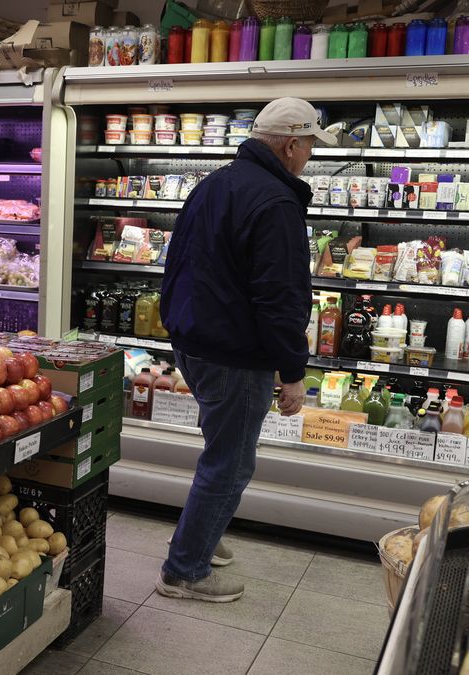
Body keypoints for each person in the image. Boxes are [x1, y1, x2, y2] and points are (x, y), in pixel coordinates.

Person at [155, 97, 334, 602]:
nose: (310, 157)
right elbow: (281, 298)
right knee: (231, 463)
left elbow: (178, 264)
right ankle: (184, 570)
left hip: (196, 341)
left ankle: (199, 537)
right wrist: (292, 371)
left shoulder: (213, 183)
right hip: (234, 352)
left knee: (219, 452)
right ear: (292, 145)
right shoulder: (276, 203)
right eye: (310, 147)